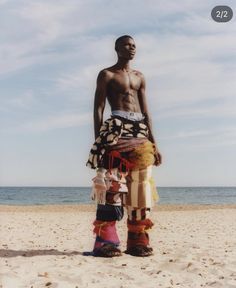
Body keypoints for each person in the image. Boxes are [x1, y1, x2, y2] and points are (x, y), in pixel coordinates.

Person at [86, 35, 162, 257]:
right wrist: (99, 142)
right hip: (115, 133)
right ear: (117, 48)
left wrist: (154, 144)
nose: (132, 48)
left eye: (134, 45)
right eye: (127, 45)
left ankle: (137, 241)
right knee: (112, 188)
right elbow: (98, 108)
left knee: (140, 190)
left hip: (140, 134)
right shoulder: (107, 74)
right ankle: (105, 243)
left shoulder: (140, 77)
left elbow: (146, 112)